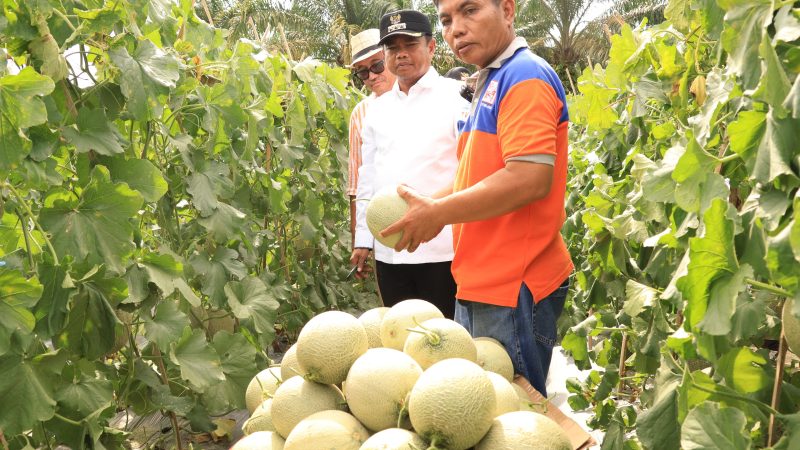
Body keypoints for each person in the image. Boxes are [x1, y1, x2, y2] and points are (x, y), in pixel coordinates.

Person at [379, 0, 573, 397]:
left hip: (513, 286)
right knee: (479, 410)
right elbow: (476, 177)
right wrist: (428, 205)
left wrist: (439, 213)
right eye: (447, 20)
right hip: (482, 281)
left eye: (470, 11)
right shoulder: (492, 80)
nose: (456, 29)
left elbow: (529, 178)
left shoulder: (525, 76)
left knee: (513, 420)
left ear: (507, 10)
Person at [350, 9, 469, 318]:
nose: (400, 54)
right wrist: (364, 238)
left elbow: (471, 168)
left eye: (410, 45)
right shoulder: (376, 110)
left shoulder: (456, 98)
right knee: (400, 339)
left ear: (430, 48)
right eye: (392, 48)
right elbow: (368, 178)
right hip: (390, 252)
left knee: (447, 342)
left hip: (444, 249)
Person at [347, 29, 397, 261]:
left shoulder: (424, 97)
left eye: (377, 66)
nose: (372, 76)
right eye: (363, 73)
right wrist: (361, 241)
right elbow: (357, 182)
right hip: (384, 228)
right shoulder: (361, 113)